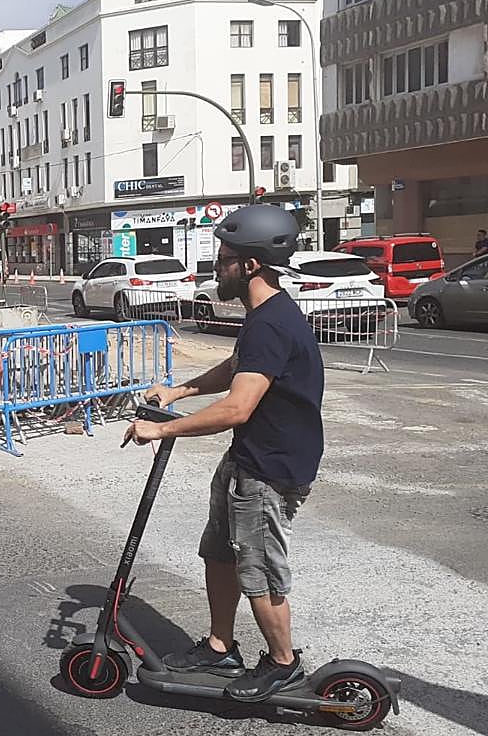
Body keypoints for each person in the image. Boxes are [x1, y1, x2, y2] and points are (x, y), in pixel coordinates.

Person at [124, 204, 323, 703]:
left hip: (271, 468)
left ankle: (284, 664)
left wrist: (158, 429)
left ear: (250, 265)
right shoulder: (265, 316)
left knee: (259, 571)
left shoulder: (272, 323)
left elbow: (237, 407)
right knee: (219, 553)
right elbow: (237, 367)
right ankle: (219, 646)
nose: (216, 268)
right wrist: (178, 391)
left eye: (223, 259)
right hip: (248, 458)